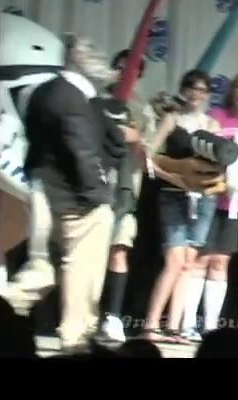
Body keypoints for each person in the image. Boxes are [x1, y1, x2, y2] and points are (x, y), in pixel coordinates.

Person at [22, 36, 126, 352]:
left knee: (43, 271)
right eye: (93, 54)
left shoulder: (48, 91)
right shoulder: (70, 97)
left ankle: (72, 331)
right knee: (81, 270)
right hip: (76, 198)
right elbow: (80, 150)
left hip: (47, 191)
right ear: (78, 59)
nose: (102, 61)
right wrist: (99, 195)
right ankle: (76, 336)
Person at [181, 71, 238, 341]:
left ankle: (210, 327)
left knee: (220, 261)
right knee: (200, 259)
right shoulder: (217, 117)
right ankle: (186, 324)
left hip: (236, 203)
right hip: (208, 197)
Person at [141, 70, 221, 344]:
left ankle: (175, 328)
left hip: (203, 200)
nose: (196, 94)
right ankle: (151, 325)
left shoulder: (212, 124)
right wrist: (173, 177)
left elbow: (219, 164)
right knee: (174, 262)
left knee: (188, 264)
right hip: (173, 195)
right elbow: (149, 157)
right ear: (184, 90)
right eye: (191, 88)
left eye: (201, 89)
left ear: (208, 94)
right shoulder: (172, 119)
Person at [99, 49, 152, 342]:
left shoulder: (142, 110)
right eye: (120, 67)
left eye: (131, 69)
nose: (124, 73)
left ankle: (113, 316)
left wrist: (138, 138)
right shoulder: (94, 100)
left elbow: (149, 159)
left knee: (119, 250)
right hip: (92, 186)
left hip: (125, 190)